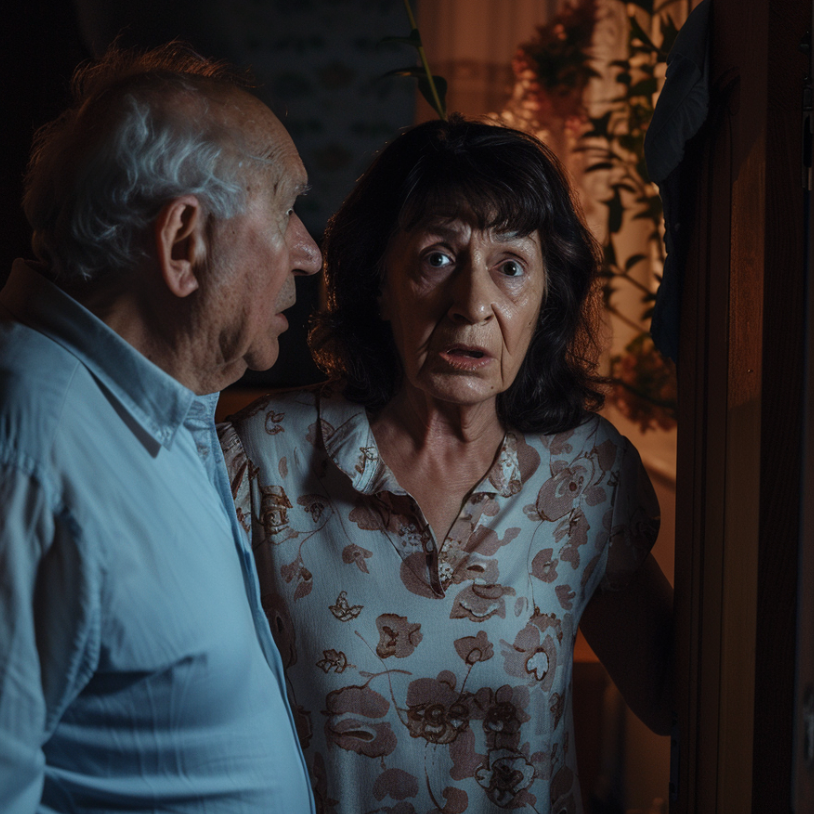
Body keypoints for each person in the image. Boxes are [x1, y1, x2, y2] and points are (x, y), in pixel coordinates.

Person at [220, 117, 673, 813]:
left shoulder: (588, 475)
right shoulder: (267, 457)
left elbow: (674, 697)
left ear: (545, 297)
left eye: (511, 267)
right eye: (437, 258)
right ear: (380, 280)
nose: (472, 306)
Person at [0, 43, 321, 813]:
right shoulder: (28, 443)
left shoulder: (156, 401)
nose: (308, 252)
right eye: (283, 209)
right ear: (182, 243)